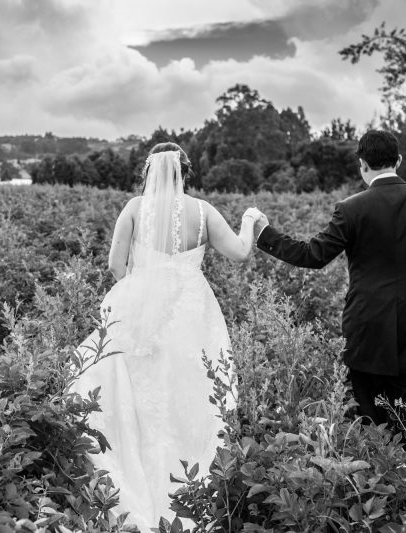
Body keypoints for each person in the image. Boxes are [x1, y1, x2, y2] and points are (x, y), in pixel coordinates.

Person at [70, 142, 258, 530]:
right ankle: (193, 490)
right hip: (193, 312)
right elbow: (240, 253)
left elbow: (114, 264)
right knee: (190, 395)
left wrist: (144, 289)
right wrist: (251, 220)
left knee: (138, 392)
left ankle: (130, 481)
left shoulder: (135, 208)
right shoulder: (203, 212)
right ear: (186, 173)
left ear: (148, 172)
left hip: (142, 312)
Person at [249, 130, 406, 425]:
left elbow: (313, 256)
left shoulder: (350, 208)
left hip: (367, 321)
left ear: (362, 164)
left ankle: (374, 463)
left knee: (368, 407)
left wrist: (266, 234)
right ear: (399, 160)